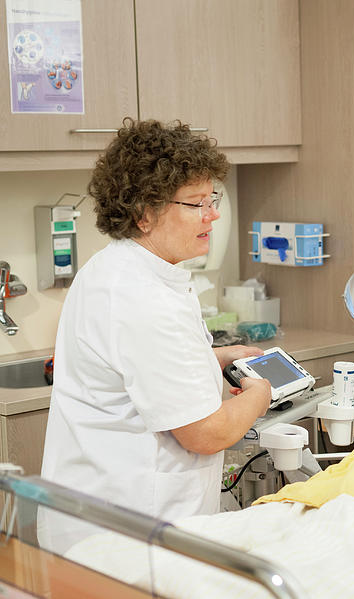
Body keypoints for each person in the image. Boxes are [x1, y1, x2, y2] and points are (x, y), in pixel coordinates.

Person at [39, 119, 272, 553]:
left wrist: (210, 358)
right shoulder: (140, 296)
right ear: (144, 214)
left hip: (112, 517)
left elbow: (140, 370)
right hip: (124, 533)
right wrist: (261, 392)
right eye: (196, 203)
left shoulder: (124, 268)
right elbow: (206, 433)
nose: (213, 214)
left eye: (212, 199)